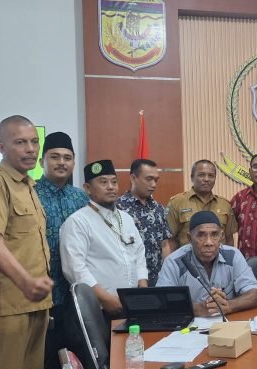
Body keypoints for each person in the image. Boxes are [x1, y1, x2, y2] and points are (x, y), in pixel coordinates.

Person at [0, 115, 53, 369]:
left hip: (38, 301)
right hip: (10, 304)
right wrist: (26, 282)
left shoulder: (29, 185)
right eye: (20, 142)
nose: (30, 149)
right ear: (1, 148)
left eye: (34, 141)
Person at [60, 160, 148, 318]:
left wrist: (142, 286)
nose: (111, 187)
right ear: (87, 188)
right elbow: (74, 268)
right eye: (103, 182)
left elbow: (139, 255)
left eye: (114, 182)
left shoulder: (126, 218)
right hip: (98, 309)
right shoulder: (77, 222)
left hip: (133, 306)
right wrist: (105, 299)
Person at [33, 132, 88, 369]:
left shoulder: (81, 198)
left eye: (67, 157)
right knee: (46, 357)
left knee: (78, 355)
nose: (62, 162)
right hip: (43, 293)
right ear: (41, 161)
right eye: (54, 157)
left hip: (76, 294)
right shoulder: (31, 194)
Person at [157, 211, 257, 317]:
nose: (209, 242)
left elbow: (255, 296)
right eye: (201, 235)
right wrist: (198, 309)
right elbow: (161, 301)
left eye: (214, 235)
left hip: (227, 325)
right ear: (189, 238)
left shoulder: (233, 255)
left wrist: (229, 306)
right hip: (189, 328)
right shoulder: (174, 262)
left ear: (221, 236)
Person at [116, 159, 171, 286]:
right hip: (129, 282)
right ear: (133, 178)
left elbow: (165, 245)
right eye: (149, 179)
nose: (153, 184)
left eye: (156, 180)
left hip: (157, 282)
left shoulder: (159, 209)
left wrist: (167, 274)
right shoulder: (118, 208)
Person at [166, 159, 237, 250]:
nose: (206, 179)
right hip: (187, 261)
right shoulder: (177, 203)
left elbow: (229, 238)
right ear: (192, 177)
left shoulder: (225, 204)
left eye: (211, 176)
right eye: (201, 175)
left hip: (219, 261)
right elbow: (170, 240)